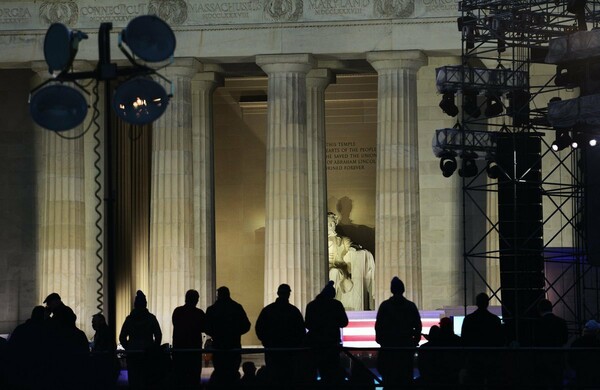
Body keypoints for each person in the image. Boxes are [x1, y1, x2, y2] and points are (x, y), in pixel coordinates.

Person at [375, 276, 421, 388]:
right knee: (405, 379)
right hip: (405, 348)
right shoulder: (410, 306)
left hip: (389, 349)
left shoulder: (385, 306)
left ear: (392, 289)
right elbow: (418, 326)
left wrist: (381, 341)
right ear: (403, 289)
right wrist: (414, 342)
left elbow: (379, 326)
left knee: (389, 380)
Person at [255, 283, 305, 386]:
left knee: (273, 377)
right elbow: (301, 331)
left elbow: (259, 327)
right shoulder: (293, 311)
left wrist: (266, 341)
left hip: (273, 349)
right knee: (288, 378)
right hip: (289, 350)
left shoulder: (268, 310)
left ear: (278, 293)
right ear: (288, 294)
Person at [328, 212, 375, 310]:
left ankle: (329, 300)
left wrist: (353, 249)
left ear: (335, 224)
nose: (330, 226)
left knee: (334, 272)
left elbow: (353, 245)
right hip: (321, 268)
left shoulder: (342, 239)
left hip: (337, 267)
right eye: (328, 224)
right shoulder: (318, 240)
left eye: (332, 223)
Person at [304, 280, 349, 385]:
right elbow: (344, 322)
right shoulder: (336, 305)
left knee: (312, 374)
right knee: (331, 375)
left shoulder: (312, 305)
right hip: (331, 344)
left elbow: (307, 324)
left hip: (315, 345)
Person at [205, 286, 251, 387]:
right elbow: (246, 325)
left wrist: (215, 334)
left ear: (218, 296)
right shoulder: (237, 307)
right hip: (233, 345)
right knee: (232, 374)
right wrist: (235, 333)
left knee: (220, 373)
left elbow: (206, 327)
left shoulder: (212, 309)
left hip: (218, 346)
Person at [119, 290, 162, 390]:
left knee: (134, 381)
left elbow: (122, 337)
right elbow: (158, 336)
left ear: (135, 304)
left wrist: (129, 347)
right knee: (147, 381)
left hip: (133, 355)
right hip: (148, 354)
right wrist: (153, 349)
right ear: (145, 304)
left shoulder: (129, 320)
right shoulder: (151, 319)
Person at [460, 292, 504, 387]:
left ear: (477, 303)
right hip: (490, 357)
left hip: (473, 357)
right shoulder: (495, 320)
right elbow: (499, 340)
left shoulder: (468, 319)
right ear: (487, 303)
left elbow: (464, 339)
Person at [172, 289, 206, 390]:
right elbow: (204, 328)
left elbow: (176, 325)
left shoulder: (178, 311)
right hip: (194, 351)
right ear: (196, 300)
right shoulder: (199, 313)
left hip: (180, 350)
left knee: (180, 378)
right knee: (194, 378)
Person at [5, 306, 47, 389]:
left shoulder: (20, 329)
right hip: (38, 371)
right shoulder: (44, 331)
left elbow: (11, 348)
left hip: (20, 370)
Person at [533, 298, 569, 389]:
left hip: (542, 359)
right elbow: (565, 340)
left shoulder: (537, 323)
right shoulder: (561, 322)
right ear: (551, 308)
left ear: (539, 309)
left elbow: (534, 341)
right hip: (558, 358)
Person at [568, 319, 600, 389]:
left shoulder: (576, 343)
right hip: (595, 374)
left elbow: (571, 359)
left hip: (580, 373)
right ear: (595, 331)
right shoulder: (597, 343)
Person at [91, 313, 119, 389]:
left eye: (94, 322)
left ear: (101, 321)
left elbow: (110, 346)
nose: (93, 324)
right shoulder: (102, 331)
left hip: (104, 365)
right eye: (92, 322)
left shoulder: (104, 332)